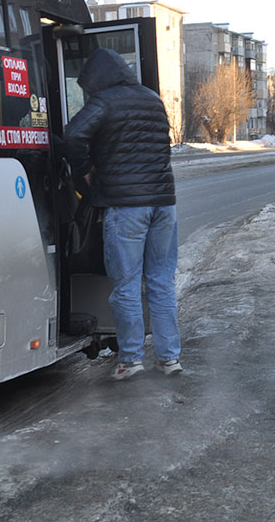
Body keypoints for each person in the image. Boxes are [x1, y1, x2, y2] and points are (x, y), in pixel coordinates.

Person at [63, 47, 182, 380]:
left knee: (126, 286)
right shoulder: (151, 99)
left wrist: (86, 169)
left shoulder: (104, 102)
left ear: (97, 80)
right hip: (164, 203)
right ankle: (170, 358)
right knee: (161, 283)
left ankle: (131, 360)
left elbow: (73, 136)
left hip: (127, 206)